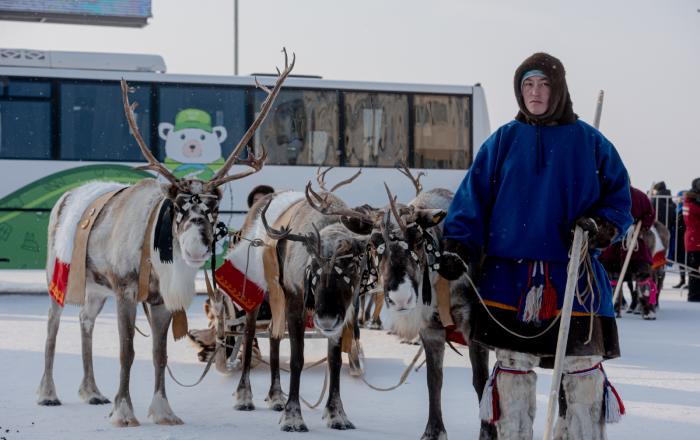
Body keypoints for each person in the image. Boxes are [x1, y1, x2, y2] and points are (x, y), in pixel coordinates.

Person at [438, 53, 632, 439]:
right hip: (509, 279)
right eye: (528, 85)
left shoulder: (591, 143)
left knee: (582, 374)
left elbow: (619, 198)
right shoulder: (503, 142)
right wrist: (459, 243)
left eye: (543, 84)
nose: (535, 93)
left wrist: (601, 225)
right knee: (511, 371)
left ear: (558, 90)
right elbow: (472, 199)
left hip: (574, 277)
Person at [599, 186, 658, 319]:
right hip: (613, 242)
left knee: (643, 275)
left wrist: (640, 226)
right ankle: (613, 307)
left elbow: (649, 214)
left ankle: (647, 308)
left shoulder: (636, 196)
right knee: (611, 275)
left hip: (634, 243)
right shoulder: (608, 193)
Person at [683, 178, 700, 302]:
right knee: (695, 270)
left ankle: (694, 294)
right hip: (696, 240)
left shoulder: (688, 203)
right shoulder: (693, 206)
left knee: (694, 269)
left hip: (692, 239)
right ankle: (694, 295)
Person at [674, 188, 689, 288]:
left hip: (685, 237)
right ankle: (682, 279)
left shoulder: (685, 209)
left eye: (682, 198)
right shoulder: (677, 209)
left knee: (687, 260)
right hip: (679, 238)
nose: (680, 200)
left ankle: (688, 280)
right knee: (680, 260)